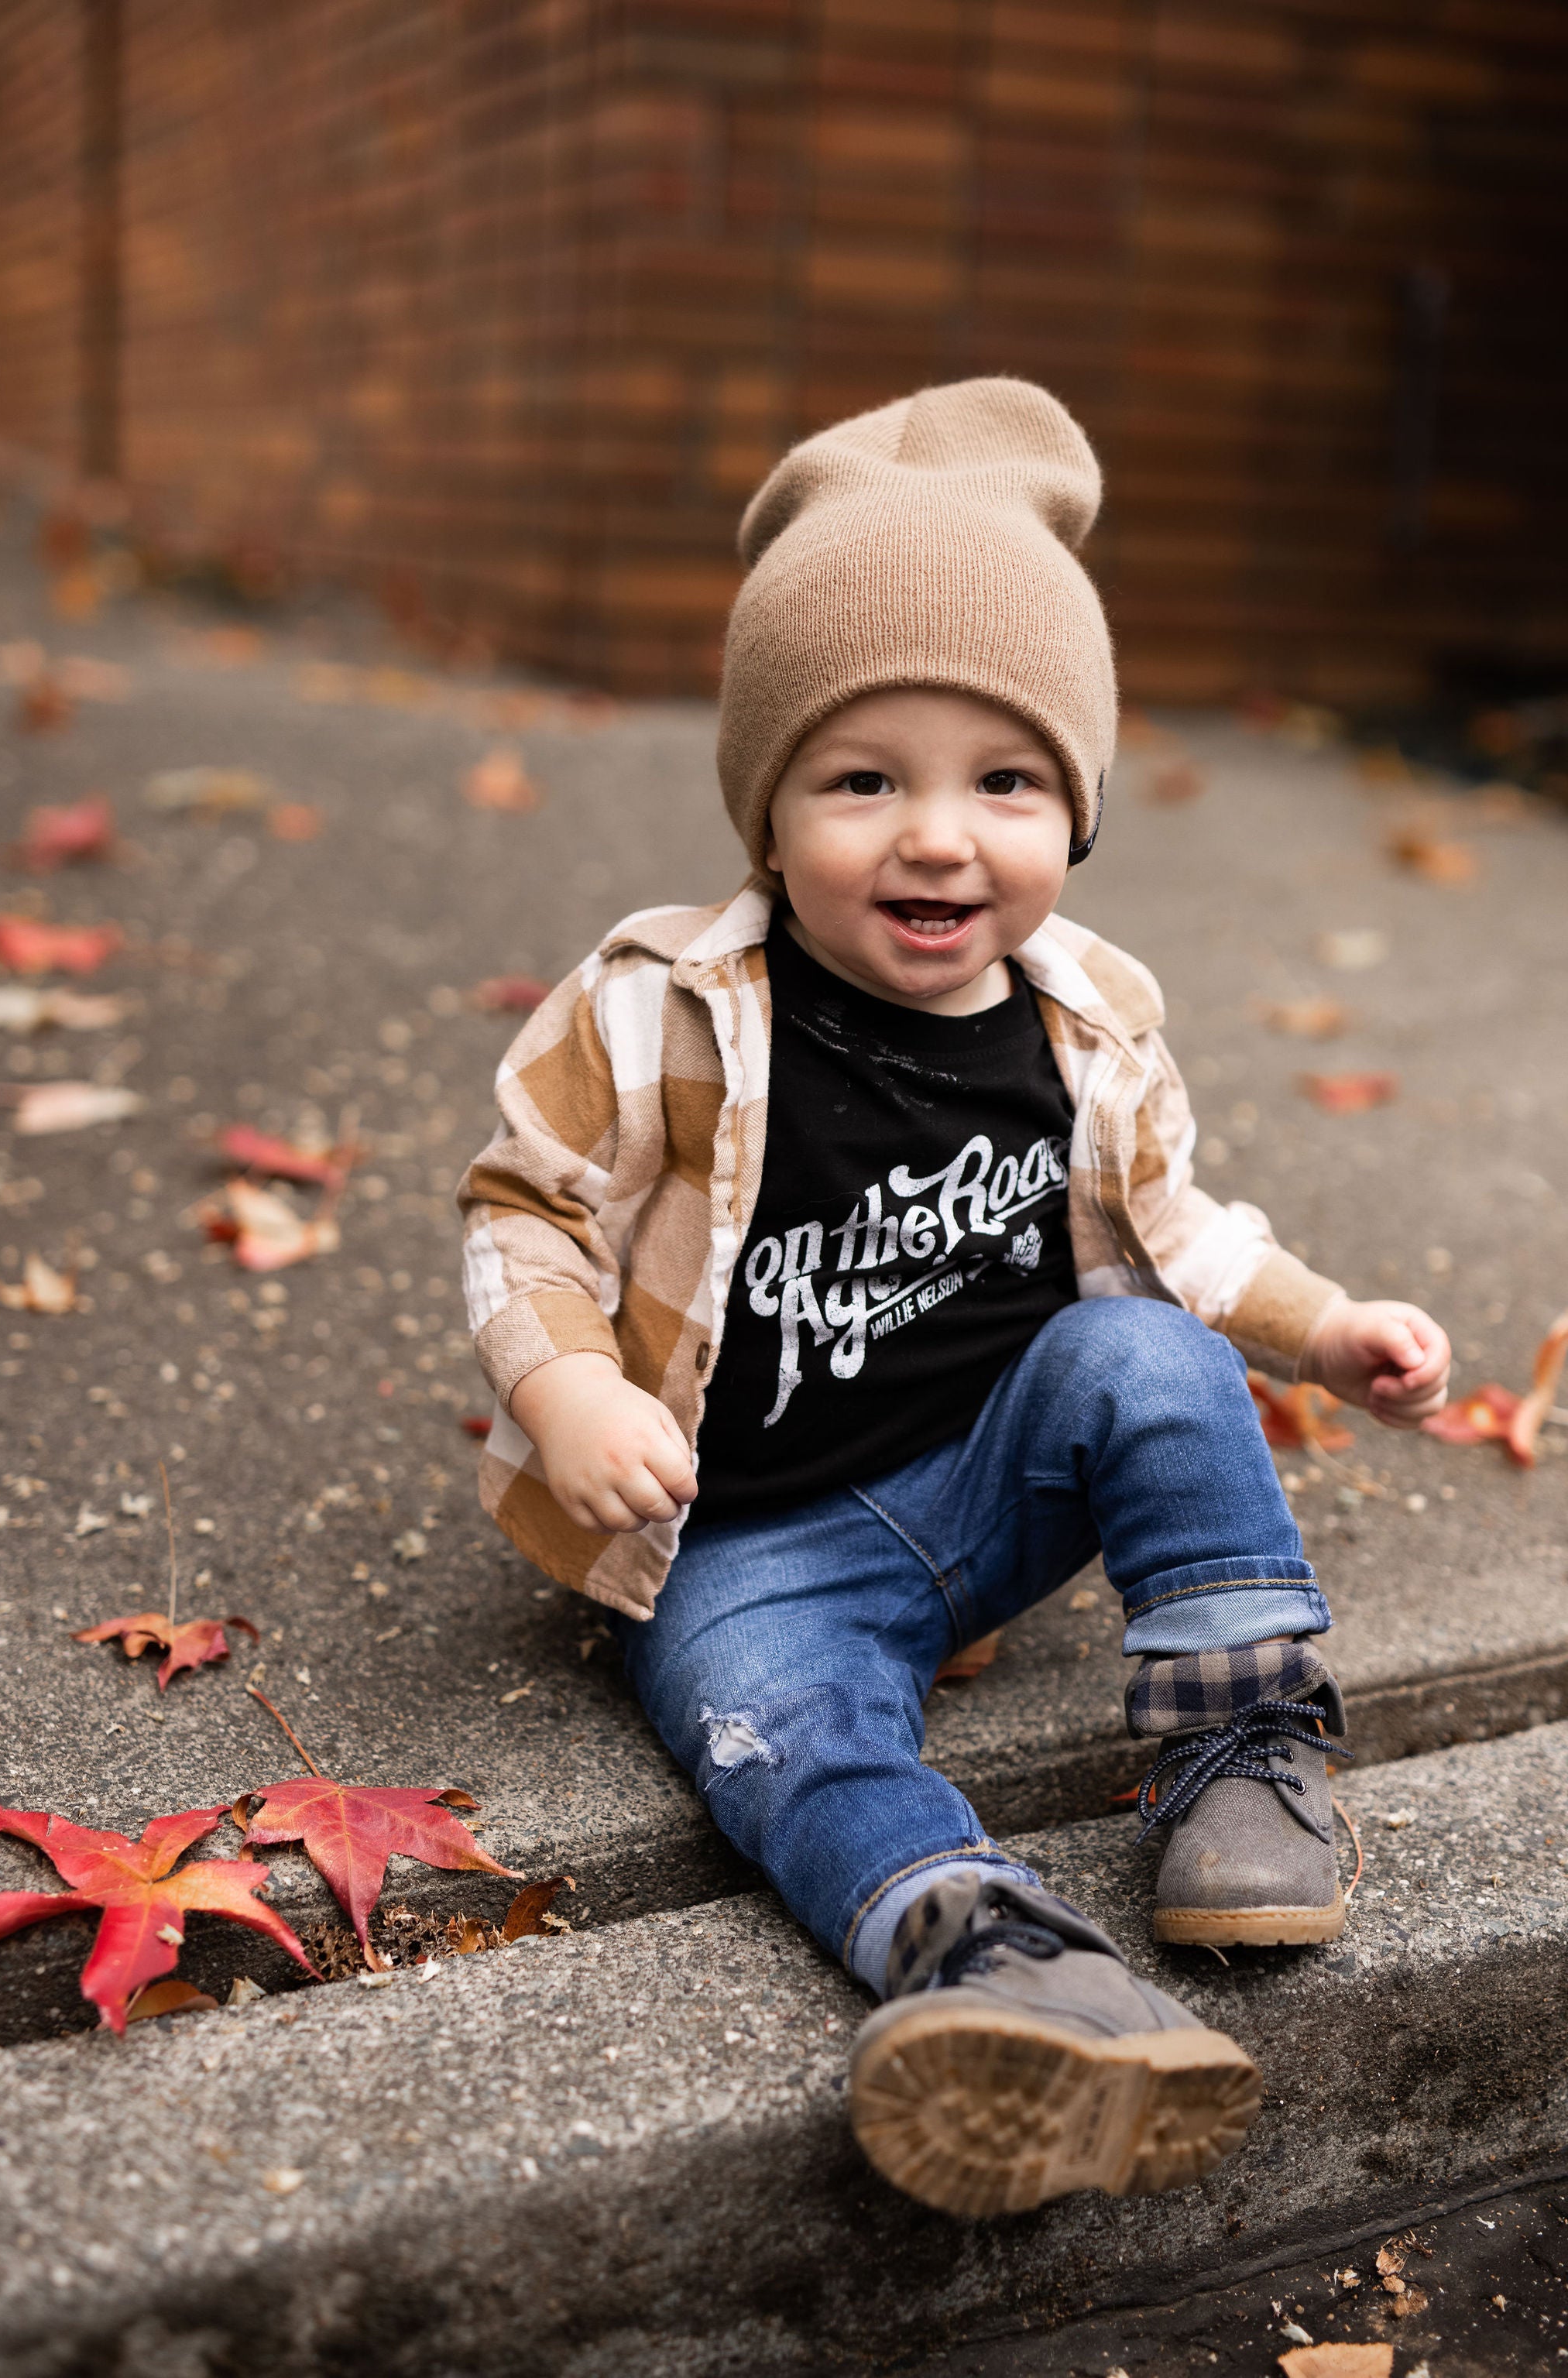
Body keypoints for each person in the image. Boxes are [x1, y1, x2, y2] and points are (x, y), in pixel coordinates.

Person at [458, 378, 1450, 2218]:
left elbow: (1182, 1236)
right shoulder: (658, 1009)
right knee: (774, 1731)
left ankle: (1240, 1739)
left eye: (1003, 782)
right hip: (738, 1540)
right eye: (862, 779)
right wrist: (573, 1391)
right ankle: (989, 1960)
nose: (938, 839)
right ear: (766, 814)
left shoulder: (1087, 1018)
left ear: (1071, 812)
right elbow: (526, 1218)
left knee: (1137, 1351)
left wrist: (1323, 1325)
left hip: (986, 1484)